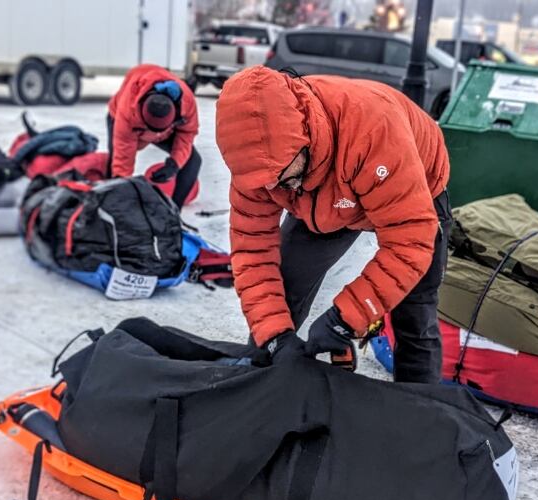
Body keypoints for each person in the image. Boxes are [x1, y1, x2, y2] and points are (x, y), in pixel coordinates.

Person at [215, 66, 453, 383]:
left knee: (415, 310)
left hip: (411, 186)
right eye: (267, 182)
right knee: (283, 289)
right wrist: (275, 336)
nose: (276, 188)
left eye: (282, 175)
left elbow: (409, 243)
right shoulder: (259, 172)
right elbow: (253, 254)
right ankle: (259, 384)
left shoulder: (373, 130)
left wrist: (345, 319)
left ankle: (421, 411)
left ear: (303, 135)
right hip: (324, 197)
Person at [107, 64, 200, 208]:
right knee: (115, 169)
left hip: (163, 129)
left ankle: (174, 211)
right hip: (123, 120)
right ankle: (110, 206)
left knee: (193, 160)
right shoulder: (128, 110)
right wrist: (122, 191)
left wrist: (174, 164)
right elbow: (123, 156)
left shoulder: (186, 103)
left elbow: (186, 133)